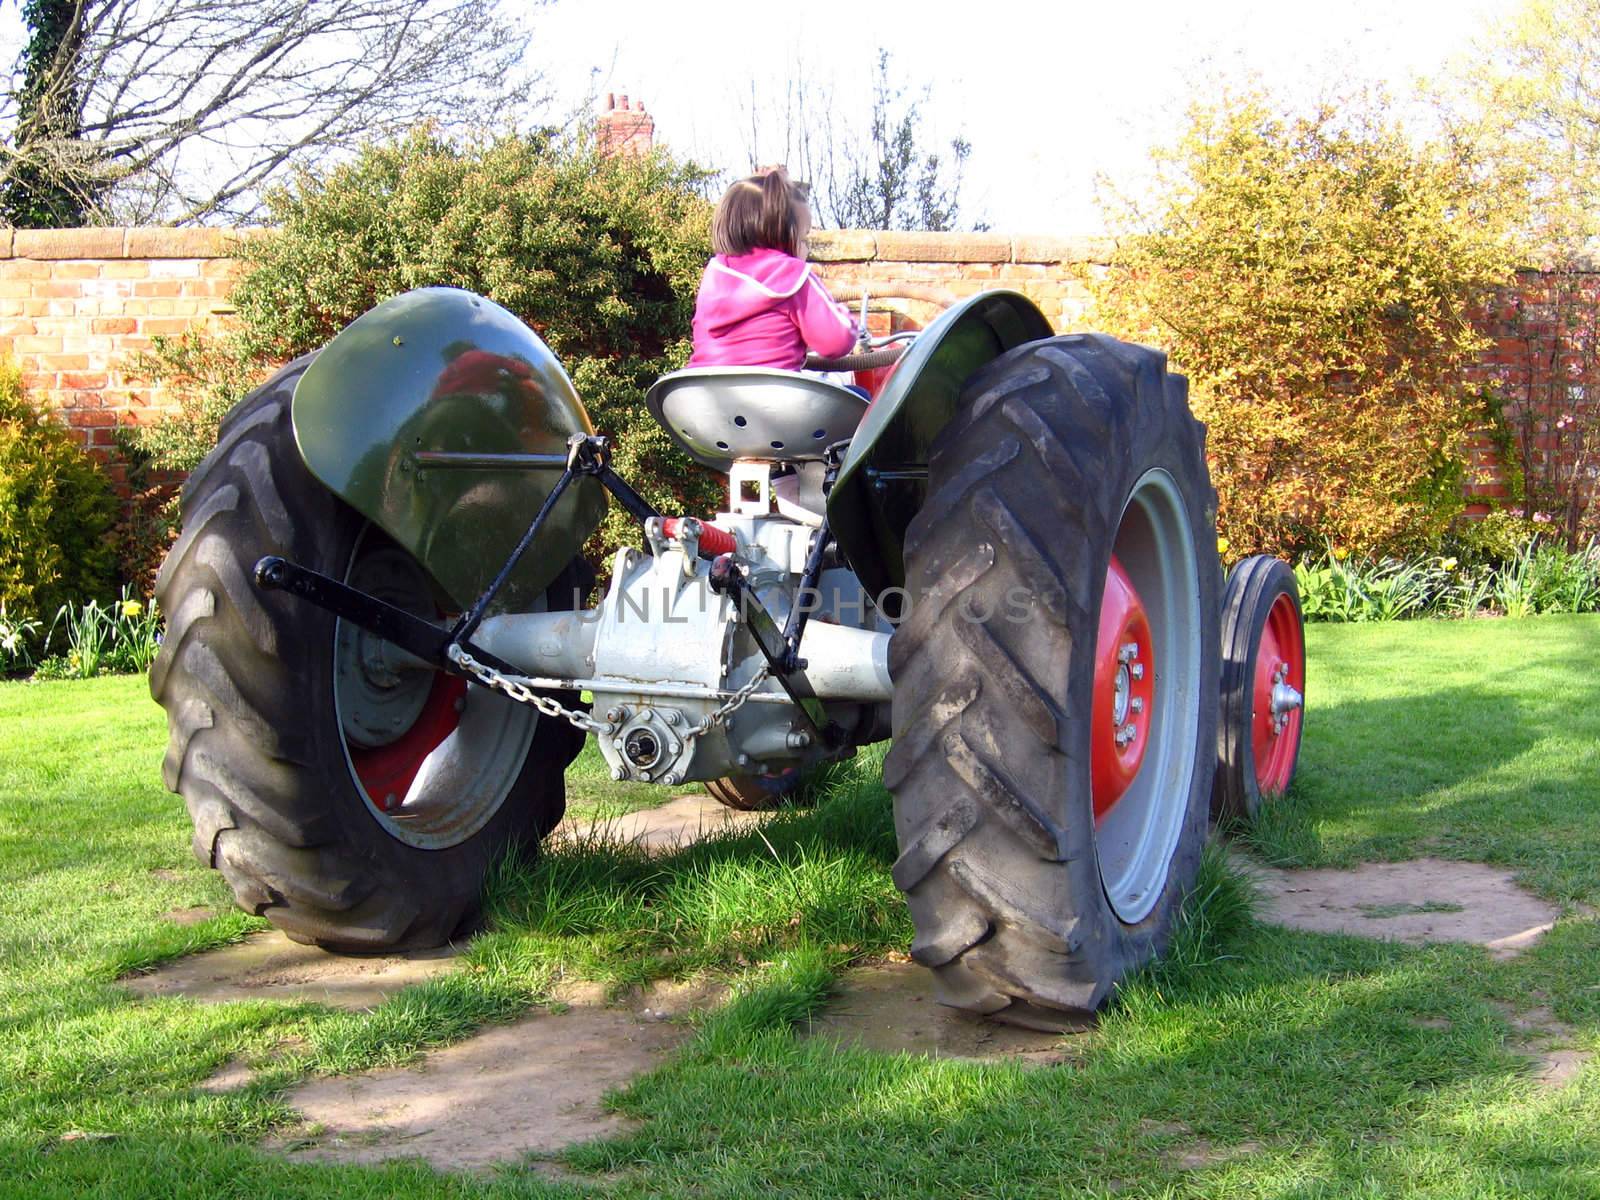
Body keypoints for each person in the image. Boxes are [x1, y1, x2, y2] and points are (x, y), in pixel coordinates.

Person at [688, 166, 860, 370]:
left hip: (706, 392)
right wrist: (845, 316)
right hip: (774, 397)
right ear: (785, 234)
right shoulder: (794, 276)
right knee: (861, 396)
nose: (807, 247)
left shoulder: (715, 275)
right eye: (804, 238)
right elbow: (836, 342)